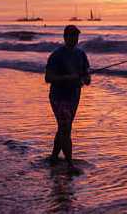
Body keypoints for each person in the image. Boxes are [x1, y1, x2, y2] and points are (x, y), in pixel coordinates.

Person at [44, 25, 91, 170]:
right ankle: (70, 164)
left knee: (64, 128)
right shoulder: (56, 55)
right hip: (59, 96)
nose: (74, 39)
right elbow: (48, 77)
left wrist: (85, 79)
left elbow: (86, 76)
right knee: (65, 128)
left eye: (76, 36)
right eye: (71, 36)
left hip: (74, 96)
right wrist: (67, 77)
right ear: (65, 37)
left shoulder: (81, 54)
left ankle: (54, 157)